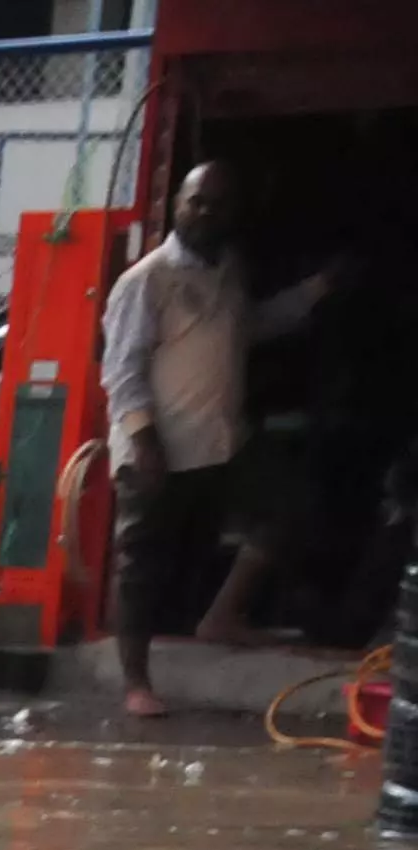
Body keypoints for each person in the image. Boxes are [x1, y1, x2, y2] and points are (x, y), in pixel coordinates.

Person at [103, 161, 335, 717]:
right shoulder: (146, 280)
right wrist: (144, 441)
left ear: (235, 212)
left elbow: (246, 327)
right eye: (195, 201)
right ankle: (135, 682)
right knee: (141, 563)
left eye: (217, 204)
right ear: (176, 206)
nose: (205, 212)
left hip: (221, 440)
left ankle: (221, 616)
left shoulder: (229, 269)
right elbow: (122, 370)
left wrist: (316, 291)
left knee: (288, 508)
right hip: (158, 444)